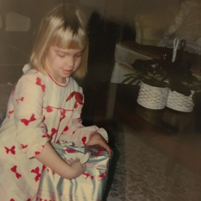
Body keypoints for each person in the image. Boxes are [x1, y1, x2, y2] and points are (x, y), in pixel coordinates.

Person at [0, 4, 112, 201]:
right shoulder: (33, 82)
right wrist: (66, 171)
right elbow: (30, 135)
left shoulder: (75, 90)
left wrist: (90, 136)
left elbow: (69, 127)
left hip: (44, 163)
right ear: (44, 46)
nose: (70, 63)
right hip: (14, 162)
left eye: (77, 55)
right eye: (62, 55)